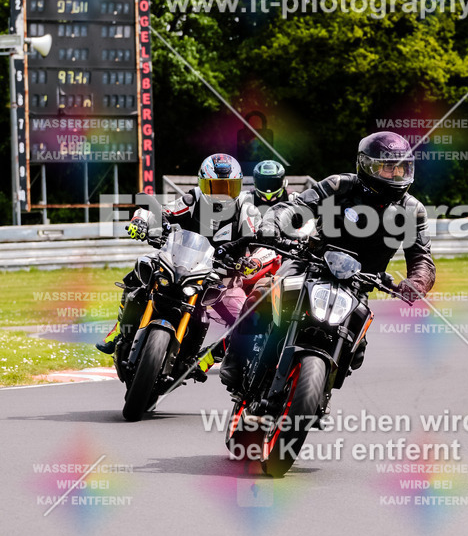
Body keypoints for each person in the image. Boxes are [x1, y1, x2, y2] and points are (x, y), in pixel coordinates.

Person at [219, 131, 436, 392]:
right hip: (311, 263)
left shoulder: (412, 210)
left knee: (355, 351)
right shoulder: (339, 186)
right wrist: (272, 225)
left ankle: (317, 389)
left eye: (401, 169)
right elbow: (294, 208)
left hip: (359, 282)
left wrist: (417, 282)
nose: (395, 175)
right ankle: (235, 361)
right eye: (387, 168)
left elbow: (422, 257)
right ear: (366, 165)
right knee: (263, 293)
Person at [96, 154, 262, 368]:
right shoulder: (192, 200)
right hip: (182, 264)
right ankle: (119, 330)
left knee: (248, 321)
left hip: (223, 279)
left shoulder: (246, 210)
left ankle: (208, 359)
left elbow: (262, 241)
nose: (222, 194)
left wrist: (254, 260)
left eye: (228, 187)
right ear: (203, 184)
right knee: (143, 265)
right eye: (216, 187)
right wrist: (141, 220)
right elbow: (160, 212)